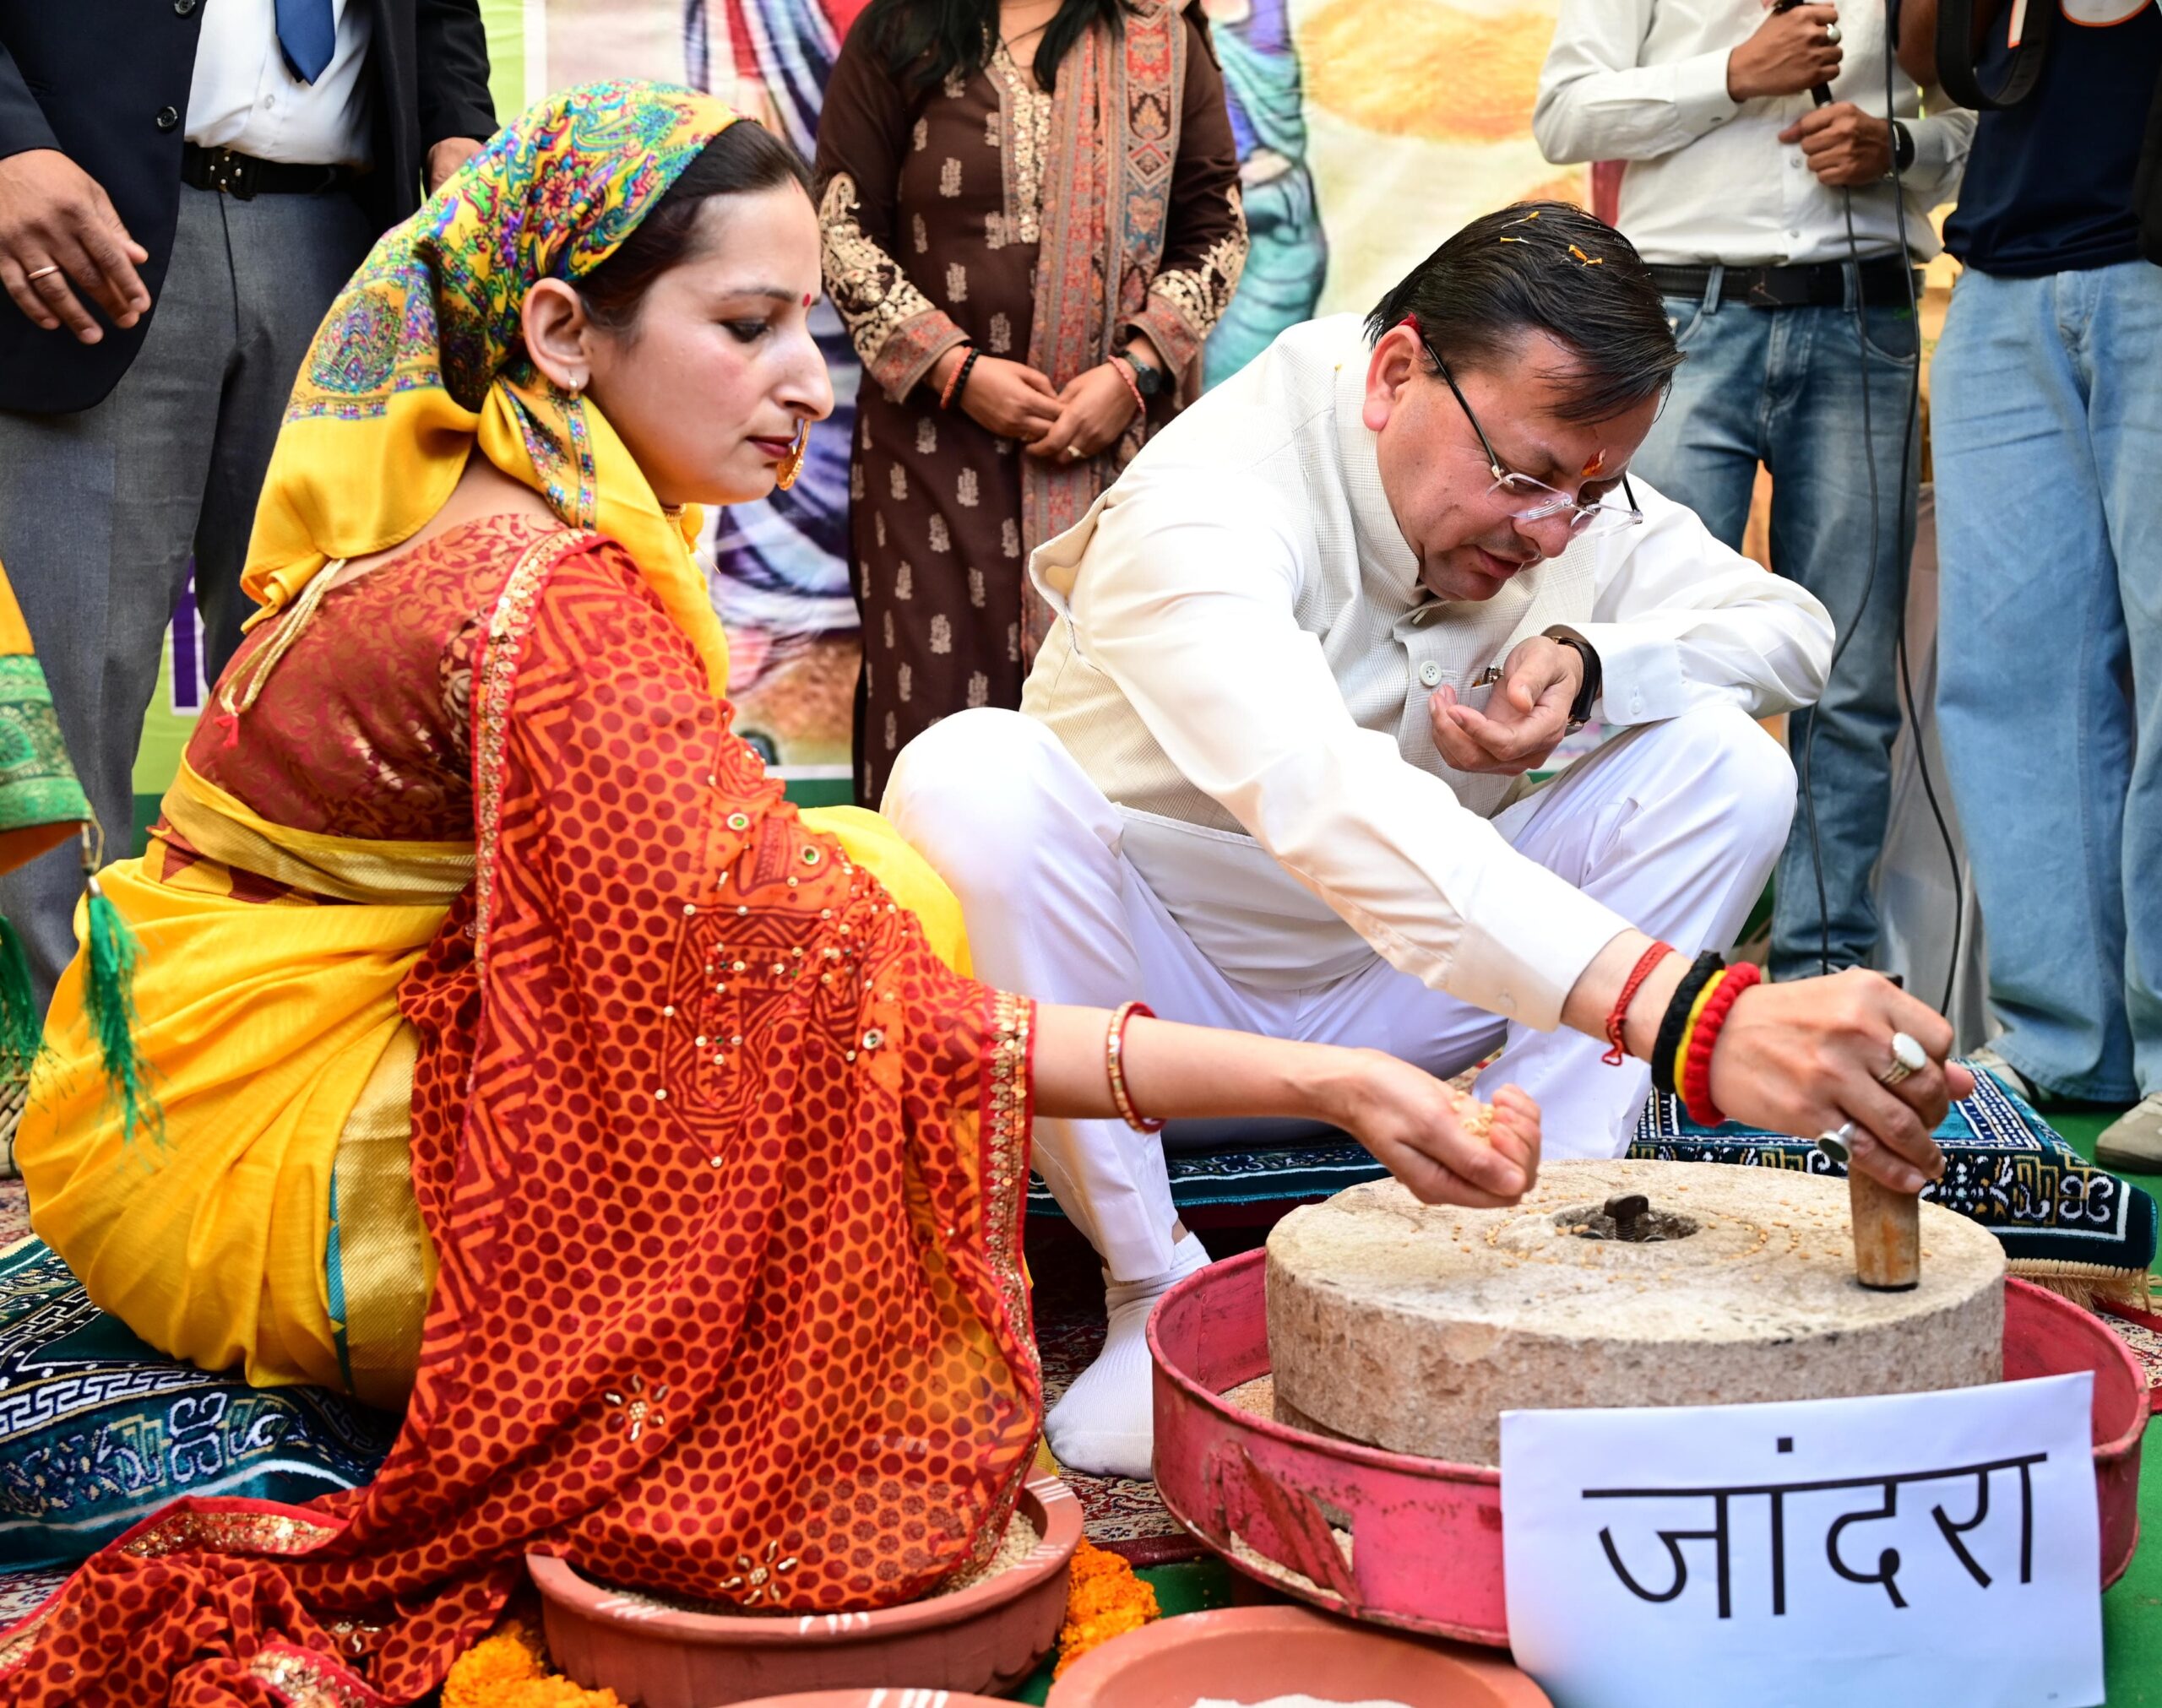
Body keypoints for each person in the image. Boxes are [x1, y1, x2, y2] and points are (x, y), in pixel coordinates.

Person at [0, 84, 1542, 1702]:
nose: (809, 379)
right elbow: (895, 1027)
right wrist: (1327, 1076)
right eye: (747, 326)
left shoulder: (493, 484)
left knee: (861, 887)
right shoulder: (549, 609)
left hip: (172, 1059)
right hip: (241, 1158)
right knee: (810, 1034)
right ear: (561, 331)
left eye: (807, 321)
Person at [884, 201, 1974, 1479]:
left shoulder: (1562, 489)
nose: (1549, 530)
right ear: (1395, 373)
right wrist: (1696, 1018)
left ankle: (1538, 1213)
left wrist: (1592, 657)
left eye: (1589, 491)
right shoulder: (1208, 497)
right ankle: (1150, 1281)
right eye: (1524, 478)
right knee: (969, 773)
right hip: (1152, 1012)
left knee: (1728, 765)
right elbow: (1321, 795)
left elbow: (1793, 631)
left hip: (1404, 999)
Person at [0, 0, 497, 1008]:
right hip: (89, 225)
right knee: (70, 688)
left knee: (319, 689)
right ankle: (53, 1055)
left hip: (347, 239)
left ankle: (271, 1033)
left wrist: (458, 128)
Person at [1533, 0, 1973, 984]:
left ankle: (1820, 979)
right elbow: (1564, 115)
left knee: (1850, 676)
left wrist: (1900, 145)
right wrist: (1731, 73)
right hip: (1680, 317)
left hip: (1861, 312)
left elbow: (1983, 121)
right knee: (1641, 652)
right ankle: (1633, 983)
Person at [814, 0, 1248, 806]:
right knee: (934, 723)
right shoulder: (901, 30)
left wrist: (1135, 373)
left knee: (1111, 742)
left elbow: (1218, 232)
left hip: (1117, 461)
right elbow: (841, 229)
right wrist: (952, 368)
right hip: (932, 457)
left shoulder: (1162, 39)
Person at [1898, 0, 2162, 1170]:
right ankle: (2059, 1036)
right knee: (2008, 678)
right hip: (2004, 265)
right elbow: (1934, 60)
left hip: (2153, 258)